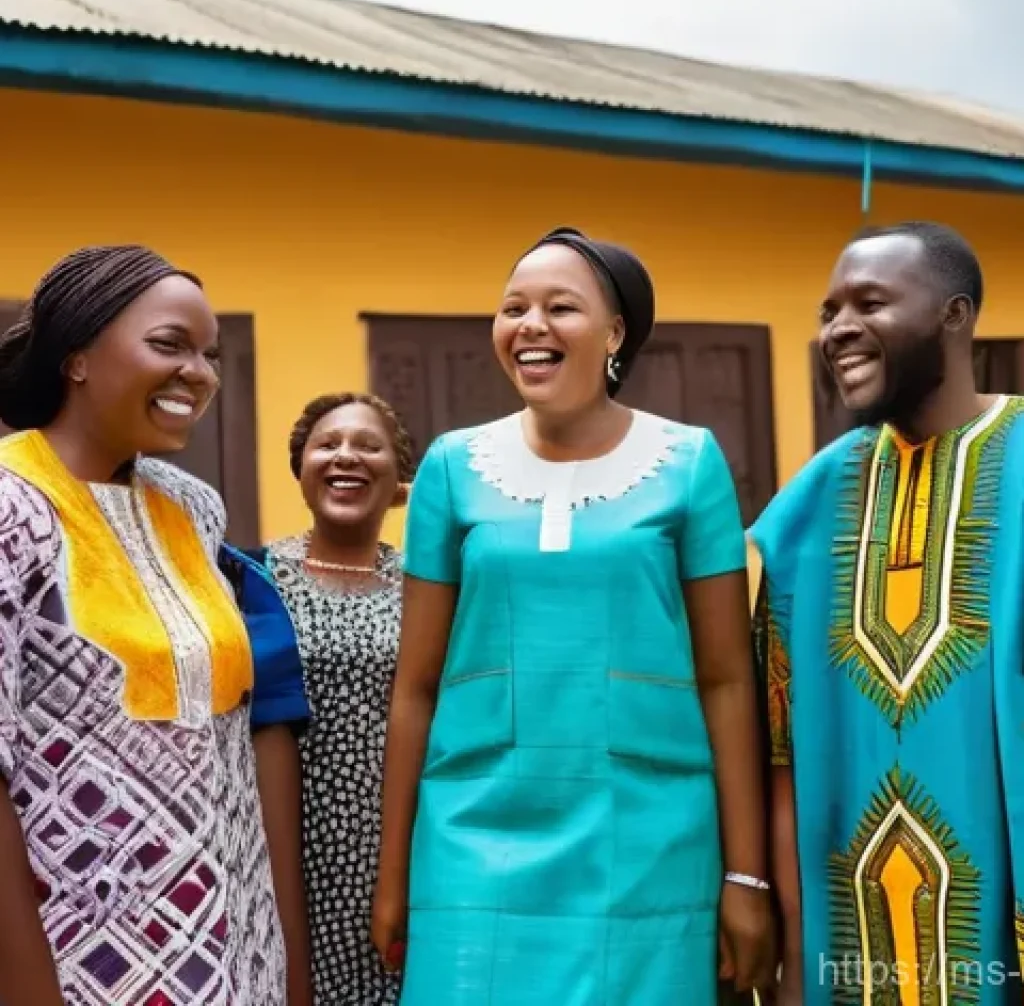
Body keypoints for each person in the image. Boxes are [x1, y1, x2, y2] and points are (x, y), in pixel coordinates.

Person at [373, 226, 774, 1004]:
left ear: (615, 332)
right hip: (472, 840)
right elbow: (416, 686)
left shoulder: (688, 463)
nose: (531, 326)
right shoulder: (453, 468)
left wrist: (745, 874)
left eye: (561, 307)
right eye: (513, 307)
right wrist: (396, 875)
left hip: (650, 841)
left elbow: (728, 681)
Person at [0, 246, 294, 1005]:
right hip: (83, 969)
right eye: (170, 345)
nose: (198, 372)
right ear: (76, 358)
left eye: (209, 355)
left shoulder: (193, 508)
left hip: (237, 962)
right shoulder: (12, 509)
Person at [749, 220, 1024, 1006]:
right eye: (828, 312)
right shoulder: (808, 509)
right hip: (849, 957)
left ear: (955, 314)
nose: (839, 330)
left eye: (869, 303)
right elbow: (780, 755)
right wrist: (797, 961)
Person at [231, 393, 412, 1005]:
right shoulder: (249, 579)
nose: (346, 457)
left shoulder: (430, 589)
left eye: (368, 445)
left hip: (401, 854)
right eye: (328, 444)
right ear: (301, 470)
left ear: (399, 479)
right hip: (286, 852)